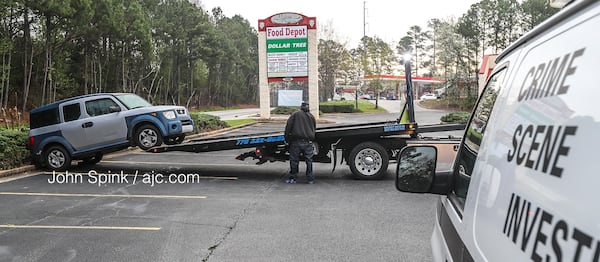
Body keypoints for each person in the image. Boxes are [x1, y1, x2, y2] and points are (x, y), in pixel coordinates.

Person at [284, 101, 316, 184]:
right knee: (309, 160)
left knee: (294, 160)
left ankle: (293, 178)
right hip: (308, 142)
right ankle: (310, 179)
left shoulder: (295, 114)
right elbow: (314, 128)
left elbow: (288, 127)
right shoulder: (311, 116)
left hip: (296, 141)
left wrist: (287, 139)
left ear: (301, 107)